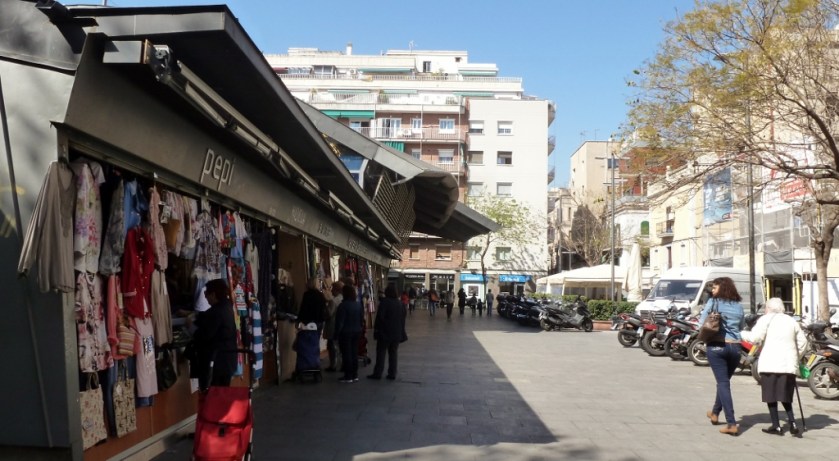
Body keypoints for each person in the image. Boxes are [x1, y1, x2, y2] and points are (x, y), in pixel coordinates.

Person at [741, 298, 807, 435]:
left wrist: (741, 333)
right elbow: (803, 342)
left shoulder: (765, 319)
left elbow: (755, 338)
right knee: (785, 395)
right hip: (788, 365)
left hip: (770, 363)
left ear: (769, 308)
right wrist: (796, 357)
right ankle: (793, 422)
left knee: (770, 395)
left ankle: (776, 425)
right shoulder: (791, 321)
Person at [701, 277, 746, 436]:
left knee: (723, 383)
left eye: (715, 288)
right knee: (724, 382)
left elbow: (702, 322)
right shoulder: (739, 306)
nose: (712, 290)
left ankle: (731, 423)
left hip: (717, 346)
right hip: (735, 347)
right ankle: (715, 413)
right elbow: (741, 326)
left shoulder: (713, 302)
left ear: (722, 288)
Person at [190, 279, 238, 391]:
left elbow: (204, 335)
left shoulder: (217, 311)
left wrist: (190, 327)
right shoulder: (226, 306)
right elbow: (207, 316)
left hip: (217, 364)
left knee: (213, 395)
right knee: (222, 394)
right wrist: (194, 314)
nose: (205, 297)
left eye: (206, 293)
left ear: (213, 294)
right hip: (226, 362)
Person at [368, 285, 406, 380]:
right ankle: (392, 373)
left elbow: (380, 318)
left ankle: (378, 373)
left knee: (381, 353)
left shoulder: (385, 302)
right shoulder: (400, 304)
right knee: (393, 353)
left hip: (385, 332)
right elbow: (403, 319)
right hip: (396, 333)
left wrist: (377, 330)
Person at [334, 284, 363, 383]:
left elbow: (340, 322)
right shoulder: (358, 305)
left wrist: (336, 335)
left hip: (345, 333)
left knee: (346, 354)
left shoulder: (343, 306)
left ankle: (348, 375)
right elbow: (361, 319)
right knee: (354, 353)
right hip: (356, 331)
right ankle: (354, 374)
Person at [322, 280, 344, 372]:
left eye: (332, 288)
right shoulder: (343, 299)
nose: (331, 290)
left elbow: (328, 314)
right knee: (340, 347)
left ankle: (333, 365)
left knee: (332, 347)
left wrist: (325, 307)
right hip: (342, 326)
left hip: (332, 326)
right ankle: (342, 363)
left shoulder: (333, 301)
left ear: (336, 289)